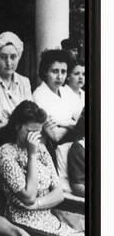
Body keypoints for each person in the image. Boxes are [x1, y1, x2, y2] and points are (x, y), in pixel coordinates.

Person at [0, 101, 83, 236]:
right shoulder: (5, 153)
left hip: (51, 221)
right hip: (25, 226)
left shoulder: (41, 148)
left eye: (38, 132)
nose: (35, 137)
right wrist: (32, 155)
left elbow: (59, 194)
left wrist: (37, 204)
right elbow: (29, 196)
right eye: (30, 132)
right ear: (17, 126)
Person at [33, 49, 77, 192]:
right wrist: (72, 122)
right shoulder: (39, 95)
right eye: (55, 71)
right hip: (53, 151)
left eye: (63, 72)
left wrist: (63, 123)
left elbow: (81, 115)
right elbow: (54, 135)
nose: (59, 76)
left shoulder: (67, 92)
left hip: (74, 150)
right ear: (45, 71)